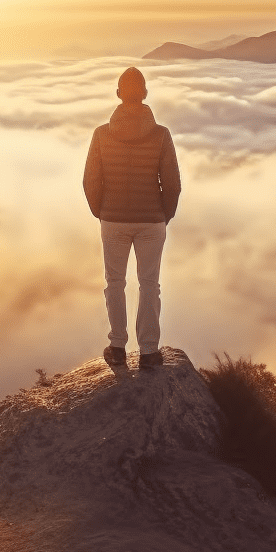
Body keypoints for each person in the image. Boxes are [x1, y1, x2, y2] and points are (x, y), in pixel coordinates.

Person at [82, 67, 181, 370]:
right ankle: (149, 351)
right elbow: (172, 183)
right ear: (146, 93)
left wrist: (102, 212)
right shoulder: (161, 134)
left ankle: (117, 346)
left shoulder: (101, 134)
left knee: (115, 283)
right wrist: (163, 215)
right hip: (151, 220)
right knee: (150, 284)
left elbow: (90, 181)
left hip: (113, 220)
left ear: (118, 94)